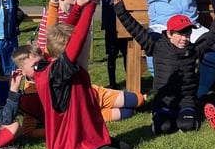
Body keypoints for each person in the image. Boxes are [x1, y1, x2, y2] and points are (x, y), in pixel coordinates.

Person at [33, 0, 133, 149]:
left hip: (85, 138)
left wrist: (80, 6)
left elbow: (66, 34)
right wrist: (90, 8)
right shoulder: (56, 75)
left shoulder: (57, 63)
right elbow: (75, 39)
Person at [114, 0, 215, 135]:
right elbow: (135, 29)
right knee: (164, 128)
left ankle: (187, 116)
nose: (184, 39)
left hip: (185, 100)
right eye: (180, 34)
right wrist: (120, 8)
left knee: (187, 126)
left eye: (187, 34)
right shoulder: (156, 46)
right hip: (164, 100)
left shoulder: (192, 50)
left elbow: (212, 36)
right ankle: (160, 117)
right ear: (169, 33)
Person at [12, 44, 144, 139]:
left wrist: (53, 4)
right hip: (82, 115)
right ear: (22, 72)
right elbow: (28, 131)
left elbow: (52, 37)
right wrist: (56, 130)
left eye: (41, 62)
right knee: (129, 112)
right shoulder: (29, 96)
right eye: (34, 66)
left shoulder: (53, 66)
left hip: (95, 96)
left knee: (138, 100)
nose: (40, 67)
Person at [100, 0, 139, 89]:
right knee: (112, 55)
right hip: (111, 27)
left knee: (128, 55)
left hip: (127, 27)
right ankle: (112, 83)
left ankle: (131, 82)